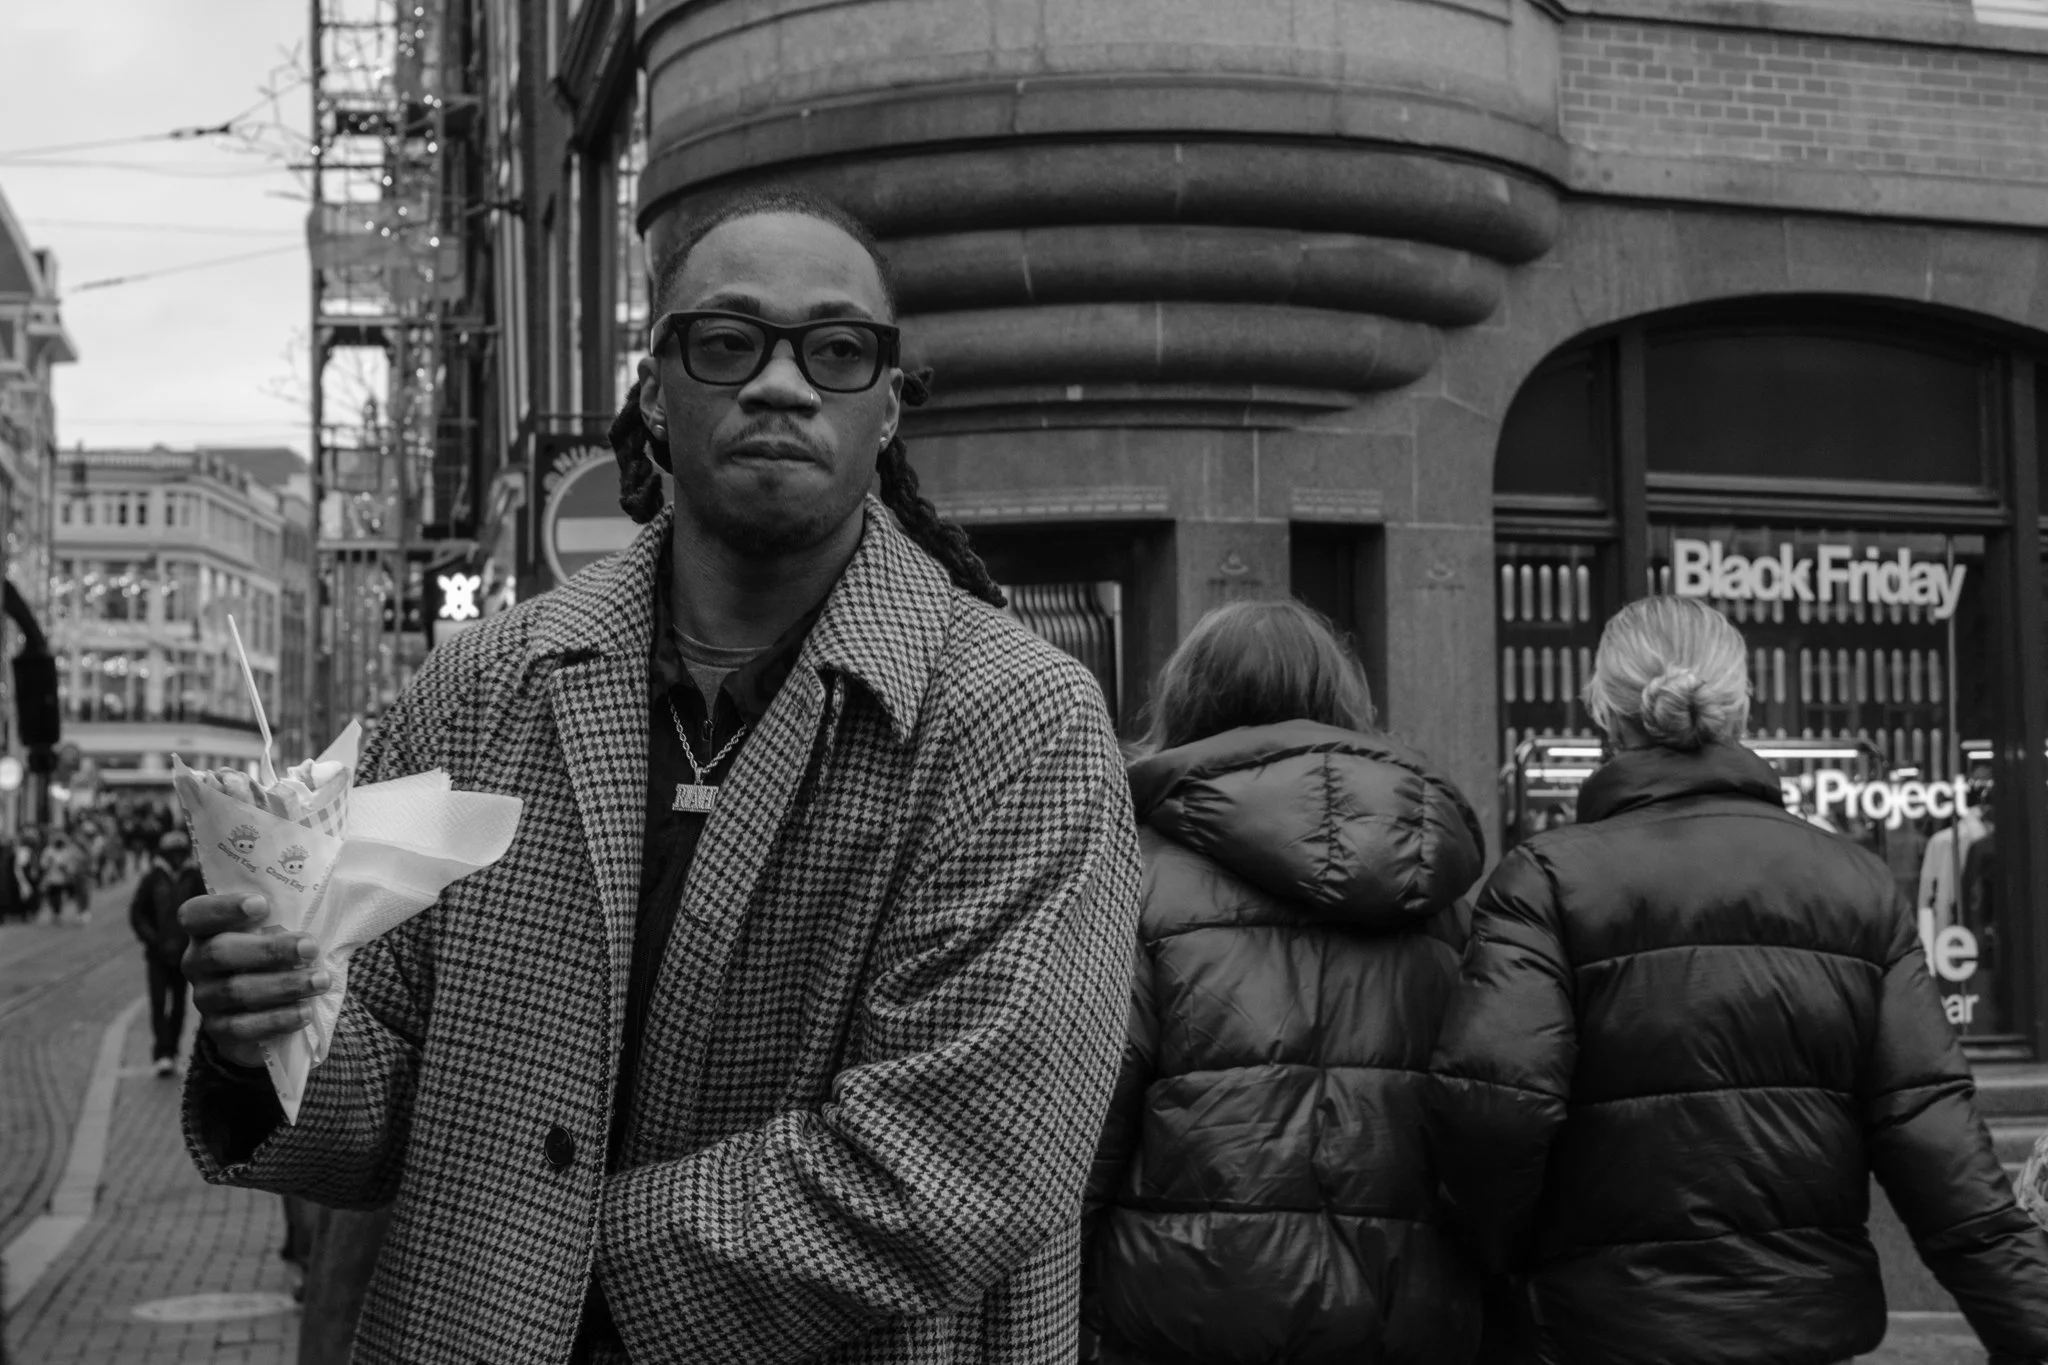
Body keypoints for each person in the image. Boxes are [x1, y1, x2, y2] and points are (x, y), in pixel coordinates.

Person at [177, 188, 1143, 1365]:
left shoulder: (1018, 722)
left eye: (837, 351)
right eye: (726, 342)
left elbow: (967, 1159)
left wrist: (530, 1258)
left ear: (888, 405)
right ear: (652, 392)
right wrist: (266, 1040)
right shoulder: (484, 688)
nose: (781, 385)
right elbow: (379, 1097)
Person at [1429, 596, 2048, 1365]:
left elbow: (1493, 1116)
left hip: (1605, 1330)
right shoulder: (1852, 882)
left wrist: (1509, 1276)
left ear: (1603, 711)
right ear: (1741, 706)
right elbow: (1940, 1152)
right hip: (1802, 1331)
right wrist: (2032, 1319)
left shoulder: (1546, 880)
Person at [1083, 599, 1487, 1364]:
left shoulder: (1131, 876)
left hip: (1189, 1318)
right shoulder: (1437, 896)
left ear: (1187, 699)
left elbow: (1090, 1124)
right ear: (1343, 700)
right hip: (1408, 1313)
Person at [130, 830, 202, 1074]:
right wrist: (153, 940)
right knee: (159, 1003)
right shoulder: (152, 878)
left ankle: (172, 1049)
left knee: (180, 1005)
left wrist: (192, 939)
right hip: (158, 955)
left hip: (184, 954)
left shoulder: (194, 878)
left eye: (180, 854)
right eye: (172, 854)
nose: (177, 859)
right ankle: (161, 1051)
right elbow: (138, 913)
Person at [38, 833, 84, 925]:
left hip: (62, 879)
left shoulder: (66, 851)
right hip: (51, 879)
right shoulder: (48, 851)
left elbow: (70, 865)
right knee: (52, 897)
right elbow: (43, 864)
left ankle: (58, 914)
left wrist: (65, 869)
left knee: (59, 897)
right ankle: (55, 913)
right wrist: (49, 863)